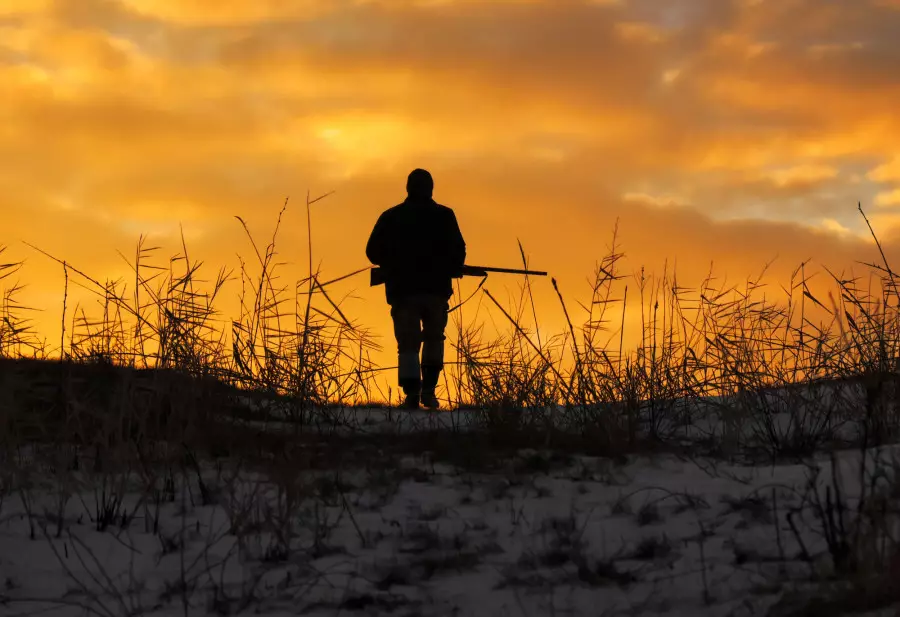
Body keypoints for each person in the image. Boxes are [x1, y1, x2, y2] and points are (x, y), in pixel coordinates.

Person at [366, 169, 466, 409]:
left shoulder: (391, 216)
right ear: (431, 188)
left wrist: (394, 262)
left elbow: (372, 251)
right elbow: (459, 252)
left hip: (403, 291)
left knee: (408, 343)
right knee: (434, 339)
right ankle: (429, 392)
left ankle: (412, 395)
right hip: (435, 291)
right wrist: (447, 266)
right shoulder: (444, 216)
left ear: (407, 188)